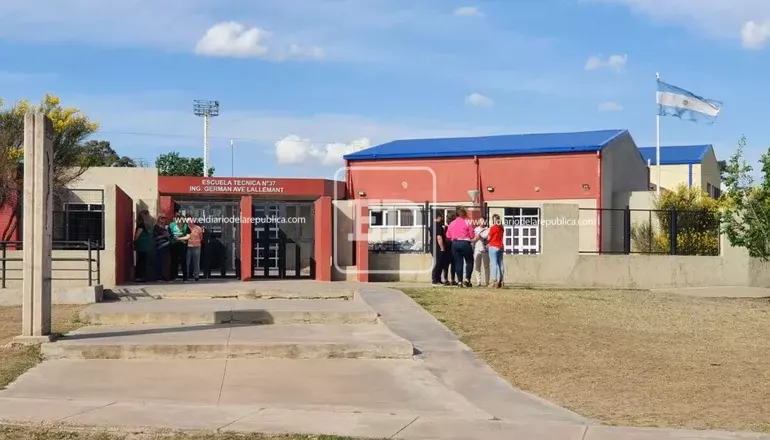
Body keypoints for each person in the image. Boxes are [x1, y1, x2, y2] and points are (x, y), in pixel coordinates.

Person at [445, 206, 475, 287]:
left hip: (455, 243)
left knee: (458, 262)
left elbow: (448, 235)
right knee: (469, 261)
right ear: (464, 213)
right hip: (465, 243)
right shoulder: (467, 222)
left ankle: (459, 281)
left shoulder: (452, 223)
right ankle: (467, 280)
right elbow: (472, 235)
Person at [133, 210, 155, 282]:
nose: (149, 217)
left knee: (143, 261)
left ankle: (142, 277)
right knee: (141, 261)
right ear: (144, 215)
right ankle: (139, 277)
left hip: (145, 247)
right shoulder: (141, 225)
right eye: (148, 215)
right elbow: (137, 236)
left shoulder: (145, 225)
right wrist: (135, 242)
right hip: (141, 247)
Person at [168, 212, 190, 282]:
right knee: (174, 261)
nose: (180, 221)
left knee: (183, 261)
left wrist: (180, 239)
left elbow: (188, 236)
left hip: (182, 244)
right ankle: (172, 277)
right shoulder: (171, 225)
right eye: (178, 219)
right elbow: (168, 234)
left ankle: (185, 278)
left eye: (181, 219)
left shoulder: (185, 226)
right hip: (173, 245)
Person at [184, 214, 204, 282]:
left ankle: (196, 276)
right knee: (187, 262)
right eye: (188, 220)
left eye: (190, 219)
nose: (190, 221)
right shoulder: (185, 227)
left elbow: (201, 238)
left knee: (196, 262)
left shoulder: (198, 228)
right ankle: (187, 275)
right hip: (188, 247)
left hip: (196, 246)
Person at [430, 212, 448, 287]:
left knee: (439, 263)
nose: (442, 219)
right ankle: (435, 280)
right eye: (441, 217)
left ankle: (438, 279)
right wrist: (442, 247)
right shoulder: (437, 225)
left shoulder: (432, 225)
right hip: (438, 247)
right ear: (438, 217)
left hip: (433, 246)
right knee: (438, 264)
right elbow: (439, 237)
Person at [488, 214, 505, 288]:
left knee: (494, 264)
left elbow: (489, 238)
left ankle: (494, 280)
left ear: (493, 220)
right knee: (500, 263)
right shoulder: (501, 228)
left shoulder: (493, 228)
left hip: (493, 246)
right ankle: (501, 280)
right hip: (500, 246)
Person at [473, 217, 490, 287]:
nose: (481, 222)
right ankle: (478, 282)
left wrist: (482, 237)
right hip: (477, 248)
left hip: (485, 249)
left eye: (483, 220)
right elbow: (474, 238)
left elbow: (488, 238)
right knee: (477, 266)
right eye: (480, 220)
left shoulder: (488, 229)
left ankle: (487, 282)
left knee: (486, 266)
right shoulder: (476, 229)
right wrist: (477, 238)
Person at [153, 214, 171, 281]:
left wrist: (167, 235)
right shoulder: (156, 227)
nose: (163, 220)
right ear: (158, 219)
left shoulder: (166, 227)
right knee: (159, 261)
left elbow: (169, 236)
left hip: (166, 245)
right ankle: (159, 275)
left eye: (164, 218)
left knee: (165, 261)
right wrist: (163, 236)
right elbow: (155, 237)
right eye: (162, 218)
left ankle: (165, 275)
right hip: (159, 246)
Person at [442, 211, 458, 285]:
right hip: (450, 246)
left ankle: (448, 279)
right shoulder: (446, 228)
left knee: (449, 264)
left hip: (449, 246)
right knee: (451, 264)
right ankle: (450, 279)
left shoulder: (446, 228)